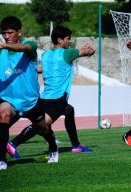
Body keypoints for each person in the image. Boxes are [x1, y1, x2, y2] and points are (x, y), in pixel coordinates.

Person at [6, 26, 95, 160]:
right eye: (68, 39)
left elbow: (39, 69)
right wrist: (91, 50)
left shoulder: (46, 55)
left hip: (45, 96)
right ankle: (13, 143)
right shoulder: (67, 53)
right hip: (57, 98)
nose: (70, 41)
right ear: (60, 40)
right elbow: (86, 52)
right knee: (42, 124)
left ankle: (76, 145)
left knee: (69, 111)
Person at [0, 16, 57, 170]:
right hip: (9, 99)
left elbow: (25, 48)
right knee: (3, 113)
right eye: (4, 33)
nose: (6, 36)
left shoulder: (28, 46)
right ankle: (2, 159)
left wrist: (5, 47)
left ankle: (52, 145)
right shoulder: (1, 52)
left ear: (19, 32)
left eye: (10, 33)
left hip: (30, 100)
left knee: (42, 129)